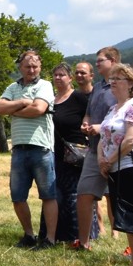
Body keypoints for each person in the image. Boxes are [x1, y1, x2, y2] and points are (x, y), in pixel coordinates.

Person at [0, 50, 57, 249]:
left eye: (35, 66)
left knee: (48, 195)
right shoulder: (12, 87)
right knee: (17, 196)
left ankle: (50, 239)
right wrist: (22, 102)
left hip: (42, 147)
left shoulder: (45, 85)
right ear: (20, 68)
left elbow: (38, 109)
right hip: (19, 149)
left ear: (40, 67)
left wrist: (13, 110)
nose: (31, 70)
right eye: (27, 66)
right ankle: (29, 235)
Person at [98, 63, 133, 266]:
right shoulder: (114, 109)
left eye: (117, 79)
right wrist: (102, 159)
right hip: (115, 167)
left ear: (130, 83)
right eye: (111, 79)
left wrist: (109, 160)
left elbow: (130, 140)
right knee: (127, 216)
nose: (112, 82)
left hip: (132, 165)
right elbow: (104, 137)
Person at [76, 46, 120, 250]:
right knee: (84, 193)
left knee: (120, 198)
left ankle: (128, 244)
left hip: (118, 153)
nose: (97, 63)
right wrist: (86, 123)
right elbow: (89, 112)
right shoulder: (97, 88)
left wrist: (100, 127)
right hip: (94, 150)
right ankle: (83, 242)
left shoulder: (123, 86)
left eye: (101, 60)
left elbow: (125, 119)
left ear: (113, 61)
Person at [50, 62, 90, 244]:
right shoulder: (51, 99)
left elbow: (89, 119)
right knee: (55, 195)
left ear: (70, 78)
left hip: (74, 155)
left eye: (62, 75)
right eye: (56, 75)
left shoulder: (78, 98)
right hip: (55, 153)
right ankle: (56, 234)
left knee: (73, 195)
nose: (58, 78)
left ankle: (76, 235)